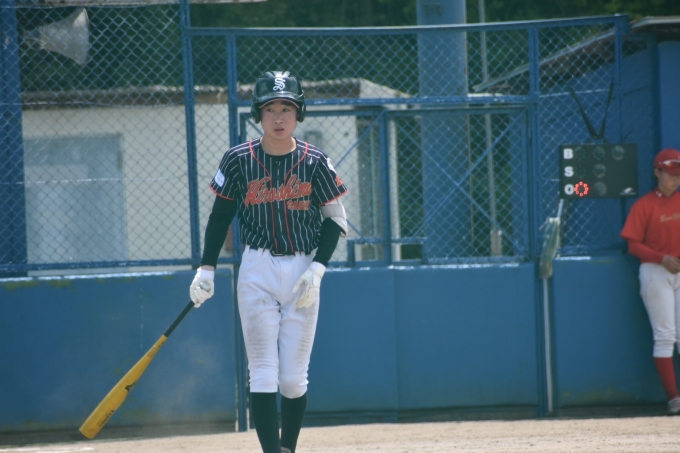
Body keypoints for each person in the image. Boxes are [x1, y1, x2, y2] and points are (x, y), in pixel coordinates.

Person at [188, 71, 348, 453]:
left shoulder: (315, 161)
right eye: (270, 108)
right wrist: (206, 268)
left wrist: (318, 268)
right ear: (258, 114)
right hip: (257, 268)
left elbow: (335, 220)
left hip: (303, 269)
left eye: (286, 108)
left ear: (299, 113)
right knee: (262, 372)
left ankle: (287, 447)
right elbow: (220, 217)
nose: (278, 117)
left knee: (292, 380)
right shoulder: (239, 159)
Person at [621, 147, 680, 414]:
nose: (674, 178)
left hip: (677, 268)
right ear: (657, 172)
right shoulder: (644, 205)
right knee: (665, 336)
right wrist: (661, 258)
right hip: (656, 271)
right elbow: (633, 245)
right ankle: (674, 398)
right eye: (669, 173)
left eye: (678, 174)